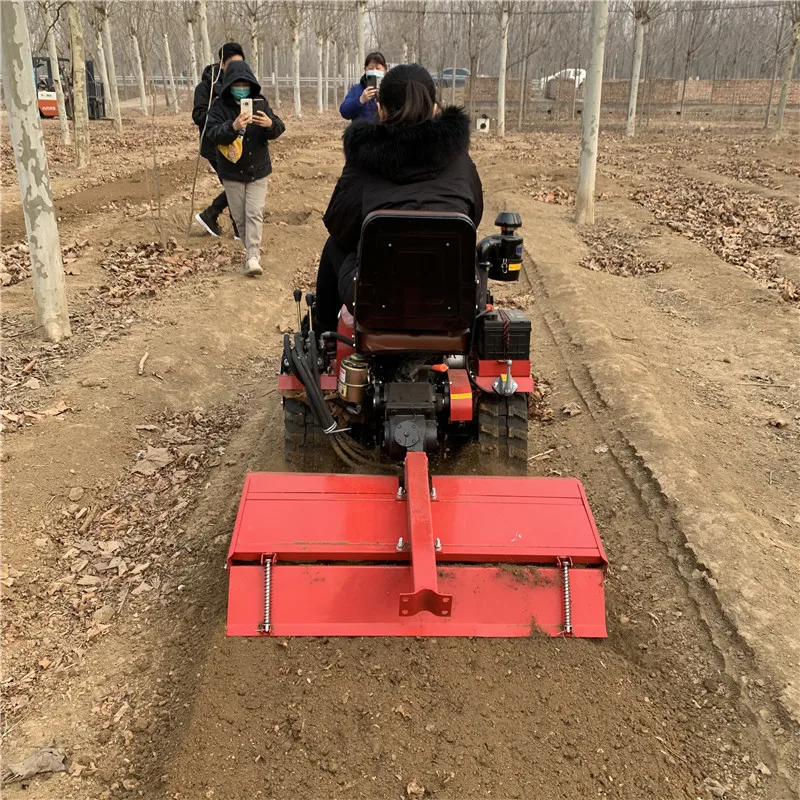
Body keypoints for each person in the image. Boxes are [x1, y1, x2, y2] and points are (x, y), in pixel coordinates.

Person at [315, 63, 483, 332]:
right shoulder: (461, 163)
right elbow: (473, 216)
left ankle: (321, 330)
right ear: (435, 109)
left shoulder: (362, 161)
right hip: (448, 295)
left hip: (373, 298)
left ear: (380, 110)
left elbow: (339, 224)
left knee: (334, 245)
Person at [205, 60, 285, 277]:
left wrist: (269, 125)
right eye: (237, 84)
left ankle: (252, 257)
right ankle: (250, 251)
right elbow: (212, 133)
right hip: (231, 173)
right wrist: (233, 126)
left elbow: (279, 127)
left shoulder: (260, 103)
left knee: (254, 213)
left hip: (258, 170)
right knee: (239, 218)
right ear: (229, 85)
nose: (241, 89)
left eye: (245, 84)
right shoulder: (220, 107)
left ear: (251, 84)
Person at [192, 42, 245, 238]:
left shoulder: (241, 85)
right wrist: (222, 121)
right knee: (234, 185)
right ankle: (236, 227)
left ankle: (211, 215)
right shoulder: (206, 87)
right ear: (221, 63)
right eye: (232, 64)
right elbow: (198, 115)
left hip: (237, 143)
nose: (236, 69)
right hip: (214, 144)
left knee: (238, 183)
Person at [339, 51, 387, 121]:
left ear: (385, 69)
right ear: (365, 69)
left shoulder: (391, 89)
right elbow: (344, 112)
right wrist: (360, 100)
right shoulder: (357, 89)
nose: (374, 71)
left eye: (378, 68)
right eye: (371, 68)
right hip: (362, 131)